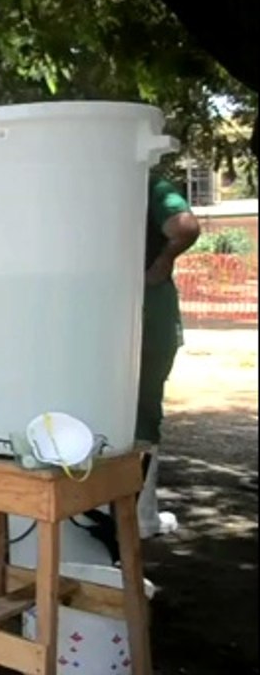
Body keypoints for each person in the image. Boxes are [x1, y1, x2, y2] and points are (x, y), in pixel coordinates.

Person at [136, 176, 200, 539]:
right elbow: (185, 225)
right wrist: (162, 262)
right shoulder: (149, 183)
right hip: (150, 311)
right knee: (143, 413)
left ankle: (96, 513)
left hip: (99, 310)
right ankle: (142, 519)